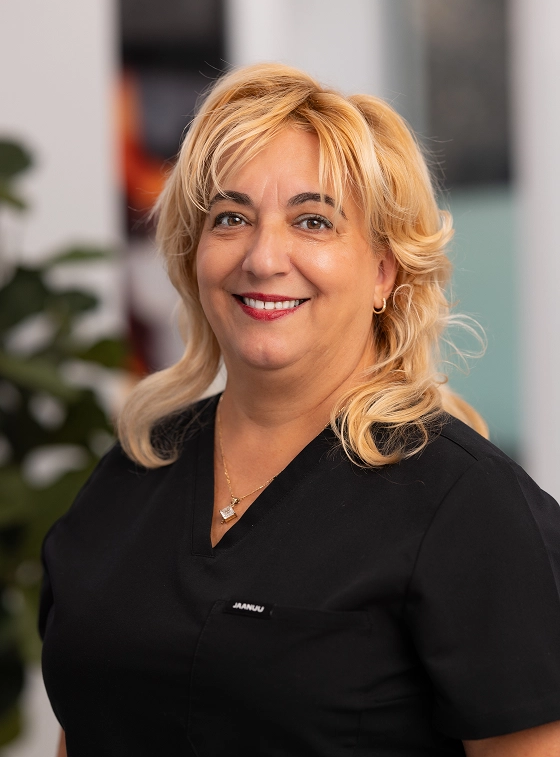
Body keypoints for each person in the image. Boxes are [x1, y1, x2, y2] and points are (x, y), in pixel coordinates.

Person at [40, 64, 560, 757]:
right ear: (196, 253)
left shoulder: (469, 507)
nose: (263, 257)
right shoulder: (133, 475)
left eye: (313, 220)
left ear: (384, 269)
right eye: (231, 218)